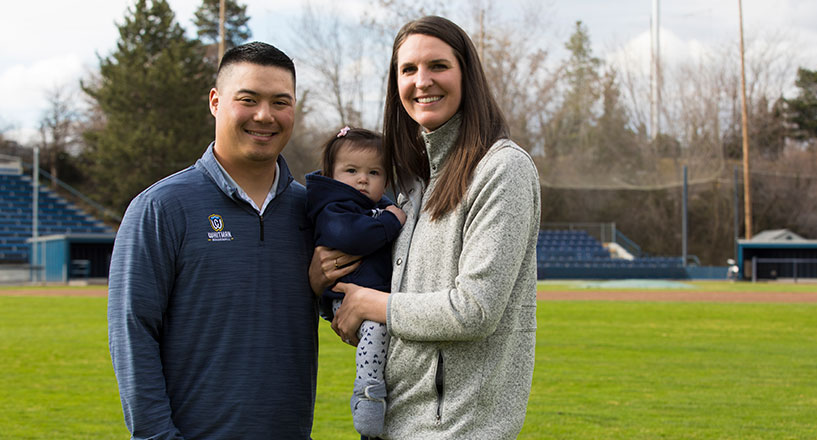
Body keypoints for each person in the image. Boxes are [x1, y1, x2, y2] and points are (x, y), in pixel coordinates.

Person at [315, 15, 541, 439]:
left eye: (438, 66)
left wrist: (372, 304)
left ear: (466, 74)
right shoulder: (412, 183)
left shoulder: (502, 168)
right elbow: (392, 305)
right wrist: (323, 280)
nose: (422, 81)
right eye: (408, 69)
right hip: (391, 423)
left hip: (456, 429)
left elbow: (474, 311)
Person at [108, 42, 320, 439]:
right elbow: (132, 334)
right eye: (248, 99)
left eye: (280, 102)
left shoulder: (311, 212)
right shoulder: (160, 207)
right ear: (215, 101)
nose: (264, 115)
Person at [305, 126, 405, 437]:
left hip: (375, 298)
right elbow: (353, 236)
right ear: (331, 174)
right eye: (351, 170)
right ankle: (367, 391)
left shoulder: (371, 205)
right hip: (346, 299)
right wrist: (392, 220)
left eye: (374, 172)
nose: (363, 179)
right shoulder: (333, 207)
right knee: (376, 333)